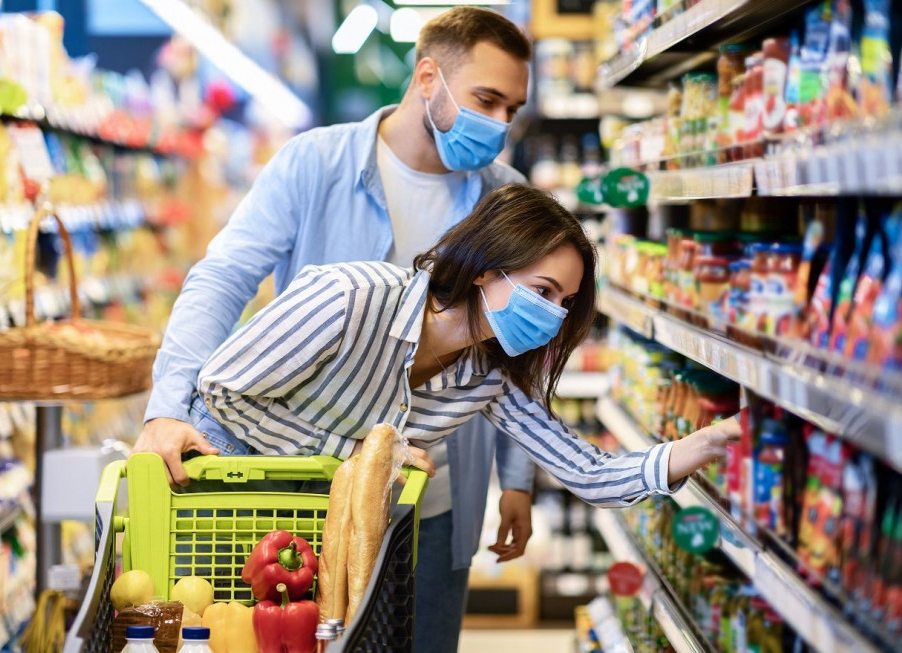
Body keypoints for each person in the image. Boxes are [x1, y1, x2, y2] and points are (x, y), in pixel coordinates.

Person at [134, 7, 537, 649]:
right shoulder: (315, 163)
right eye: (486, 99)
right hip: (308, 489)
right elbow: (222, 278)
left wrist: (517, 477)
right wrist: (165, 407)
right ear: (428, 77)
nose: (498, 124)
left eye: (512, 110)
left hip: (434, 496)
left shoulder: (504, 194)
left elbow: (519, 348)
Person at [195, 183, 738, 519]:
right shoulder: (350, 296)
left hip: (322, 524)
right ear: (484, 267)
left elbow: (589, 472)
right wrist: (354, 452)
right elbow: (221, 386)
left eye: (566, 302)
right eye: (543, 291)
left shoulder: (488, 376)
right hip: (224, 497)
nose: (553, 313)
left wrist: (709, 441)